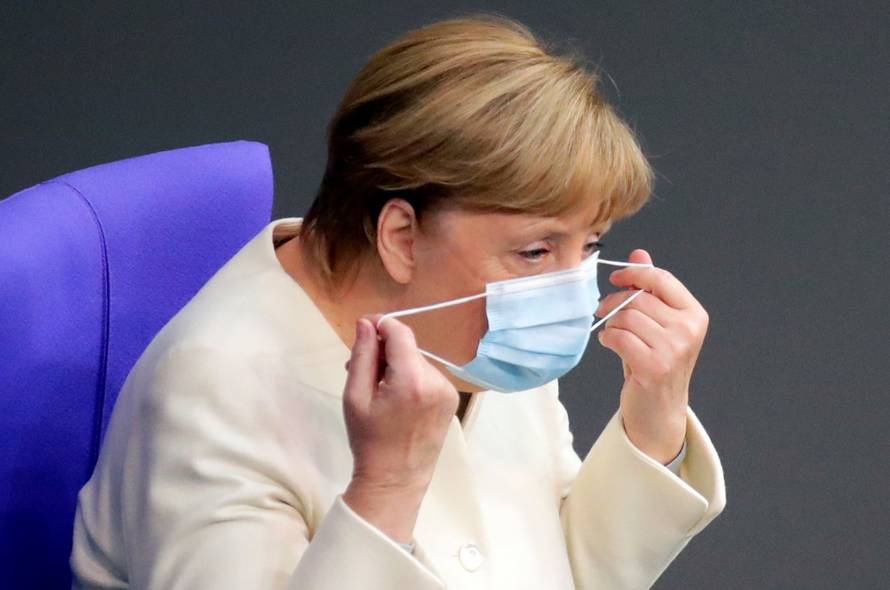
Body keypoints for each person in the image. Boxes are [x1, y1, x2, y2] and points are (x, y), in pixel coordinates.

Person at [70, 13, 726, 590]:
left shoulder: (469, 322)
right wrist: (387, 486)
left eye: (590, 244)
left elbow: (564, 573)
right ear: (402, 237)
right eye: (536, 251)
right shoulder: (213, 385)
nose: (568, 291)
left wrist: (654, 420)